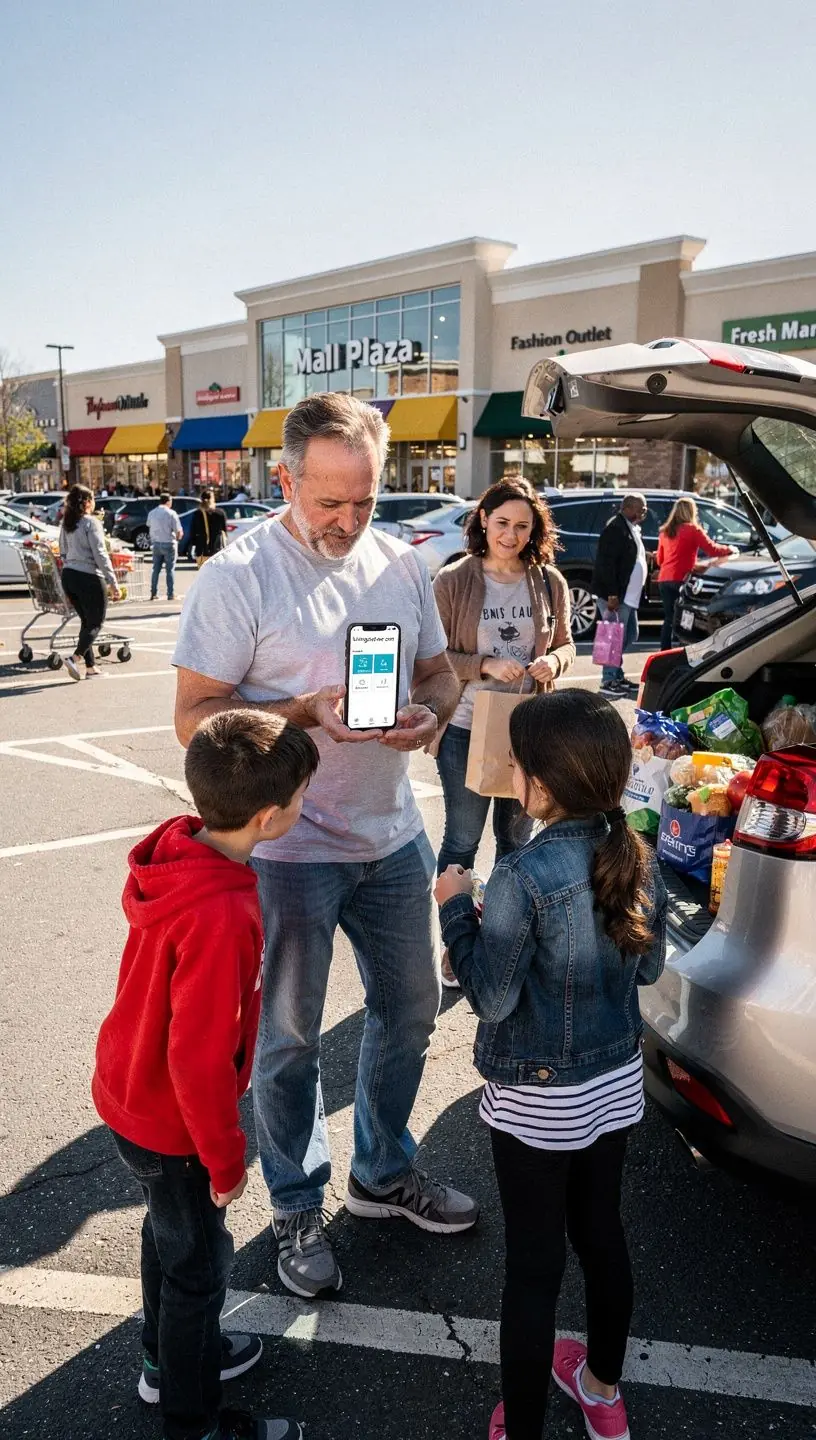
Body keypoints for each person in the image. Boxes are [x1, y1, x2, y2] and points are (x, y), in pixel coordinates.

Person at [173, 392, 478, 1300]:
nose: (349, 522)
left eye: (366, 501)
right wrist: (304, 711)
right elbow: (193, 718)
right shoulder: (239, 575)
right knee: (291, 1039)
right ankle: (296, 1203)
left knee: (412, 1010)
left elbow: (437, 671)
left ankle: (383, 1174)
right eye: (329, 502)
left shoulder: (402, 563)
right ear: (286, 480)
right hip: (287, 850)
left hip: (391, 835)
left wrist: (432, 714)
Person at [435, 689, 667, 1440]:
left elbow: (493, 999)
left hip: (538, 1100)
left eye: (520, 764)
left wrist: (453, 910)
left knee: (533, 1269)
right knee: (602, 1236)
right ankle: (600, 1390)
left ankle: (524, 1426)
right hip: (615, 1084)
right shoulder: (633, 849)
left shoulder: (522, 875)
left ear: (542, 783)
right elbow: (649, 964)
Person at [92, 709, 318, 1440]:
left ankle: (167, 1362)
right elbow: (196, 1059)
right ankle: (194, 1422)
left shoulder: (181, 853)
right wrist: (224, 1160)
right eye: (299, 801)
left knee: (169, 1240)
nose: (302, 809)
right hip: (175, 1124)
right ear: (264, 816)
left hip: (133, 1093)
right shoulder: (224, 913)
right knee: (197, 1269)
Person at [432, 478, 575, 988]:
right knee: (463, 840)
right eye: (502, 524)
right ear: (483, 521)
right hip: (466, 730)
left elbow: (567, 645)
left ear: (534, 530)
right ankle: (456, 945)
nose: (511, 536)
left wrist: (551, 662)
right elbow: (433, 657)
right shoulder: (454, 580)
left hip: (529, 734)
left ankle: (504, 941)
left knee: (516, 842)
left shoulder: (547, 581)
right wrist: (484, 663)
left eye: (522, 526)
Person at [656, 497, 736, 650]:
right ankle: (683, 650)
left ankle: (664, 650)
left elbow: (660, 560)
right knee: (685, 617)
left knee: (669, 618)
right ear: (691, 512)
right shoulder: (693, 530)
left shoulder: (665, 532)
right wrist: (730, 549)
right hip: (683, 578)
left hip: (665, 579)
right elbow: (712, 549)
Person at [59, 483, 121, 682]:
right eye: (92, 499)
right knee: (95, 622)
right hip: (88, 577)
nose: (94, 502)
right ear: (86, 503)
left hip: (69, 575)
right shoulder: (90, 523)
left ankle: (91, 667)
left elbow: (62, 551)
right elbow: (100, 554)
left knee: (86, 622)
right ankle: (74, 657)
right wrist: (113, 582)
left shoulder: (66, 523)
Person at [592, 491, 649, 698]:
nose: (644, 511)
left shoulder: (631, 527)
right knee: (612, 638)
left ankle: (616, 673)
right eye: (641, 507)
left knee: (630, 635)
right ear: (628, 508)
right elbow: (606, 564)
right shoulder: (615, 528)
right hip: (616, 597)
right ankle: (608, 680)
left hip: (629, 597)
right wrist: (612, 594)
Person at [148, 493, 183, 600]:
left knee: (156, 569)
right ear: (168, 501)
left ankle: (153, 593)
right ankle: (170, 594)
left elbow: (149, 525)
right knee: (170, 570)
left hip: (156, 544)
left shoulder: (152, 513)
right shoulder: (171, 513)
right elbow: (178, 531)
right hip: (169, 543)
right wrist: (178, 538)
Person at [190, 489, 228, 567]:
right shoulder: (220, 513)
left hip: (202, 549)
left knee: (203, 574)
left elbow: (193, 532)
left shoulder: (197, 514)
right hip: (216, 549)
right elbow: (224, 530)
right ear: (212, 499)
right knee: (216, 574)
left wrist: (194, 543)